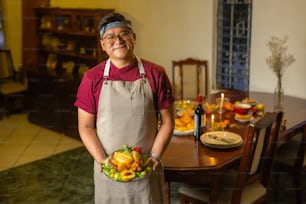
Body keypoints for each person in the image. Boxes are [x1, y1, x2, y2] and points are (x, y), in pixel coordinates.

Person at [74, 12, 175, 204]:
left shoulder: (156, 73)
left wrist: (155, 156)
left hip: (147, 167)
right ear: (103, 45)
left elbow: (168, 122)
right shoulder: (91, 78)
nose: (117, 40)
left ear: (134, 38)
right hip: (107, 167)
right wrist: (102, 160)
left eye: (124, 34)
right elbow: (85, 127)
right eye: (110, 37)